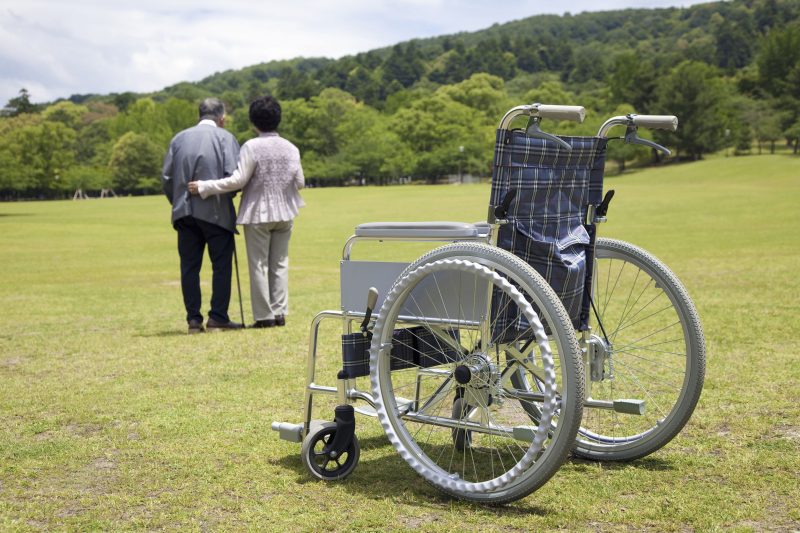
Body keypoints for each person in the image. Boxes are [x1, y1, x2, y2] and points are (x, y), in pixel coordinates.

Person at [188, 95, 304, 328]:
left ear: (254, 122)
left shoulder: (251, 146)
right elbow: (299, 182)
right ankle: (280, 312)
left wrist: (205, 186)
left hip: (258, 212)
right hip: (285, 212)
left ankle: (264, 317)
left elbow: (238, 180)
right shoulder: (291, 148)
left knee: (259, 264)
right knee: (280, 263)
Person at [162, 98, 244, 334]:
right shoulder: (225, 137)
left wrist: (177, 200)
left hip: (184, 212)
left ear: (199, 115)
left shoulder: (179, 138)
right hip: (217, 211)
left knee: (189, 266)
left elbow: (166, 178)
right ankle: (218, 317)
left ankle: (193, 320)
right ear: (222, 118)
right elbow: (233, 176)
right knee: (221, 266)